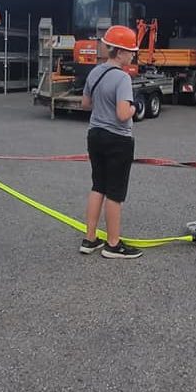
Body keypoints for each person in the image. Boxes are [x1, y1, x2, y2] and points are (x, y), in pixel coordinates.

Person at [79, 25, 142, 259]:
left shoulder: (95, 73)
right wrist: (135, 106)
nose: (133, 55)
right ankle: (113, 245)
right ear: (120, 52)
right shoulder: (123, 78)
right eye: (131, 51)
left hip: (94, 135)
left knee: (98, 186)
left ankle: (90, 238)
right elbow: (123, 114)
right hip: (118, 140)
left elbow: (85, 104)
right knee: (115, 193)